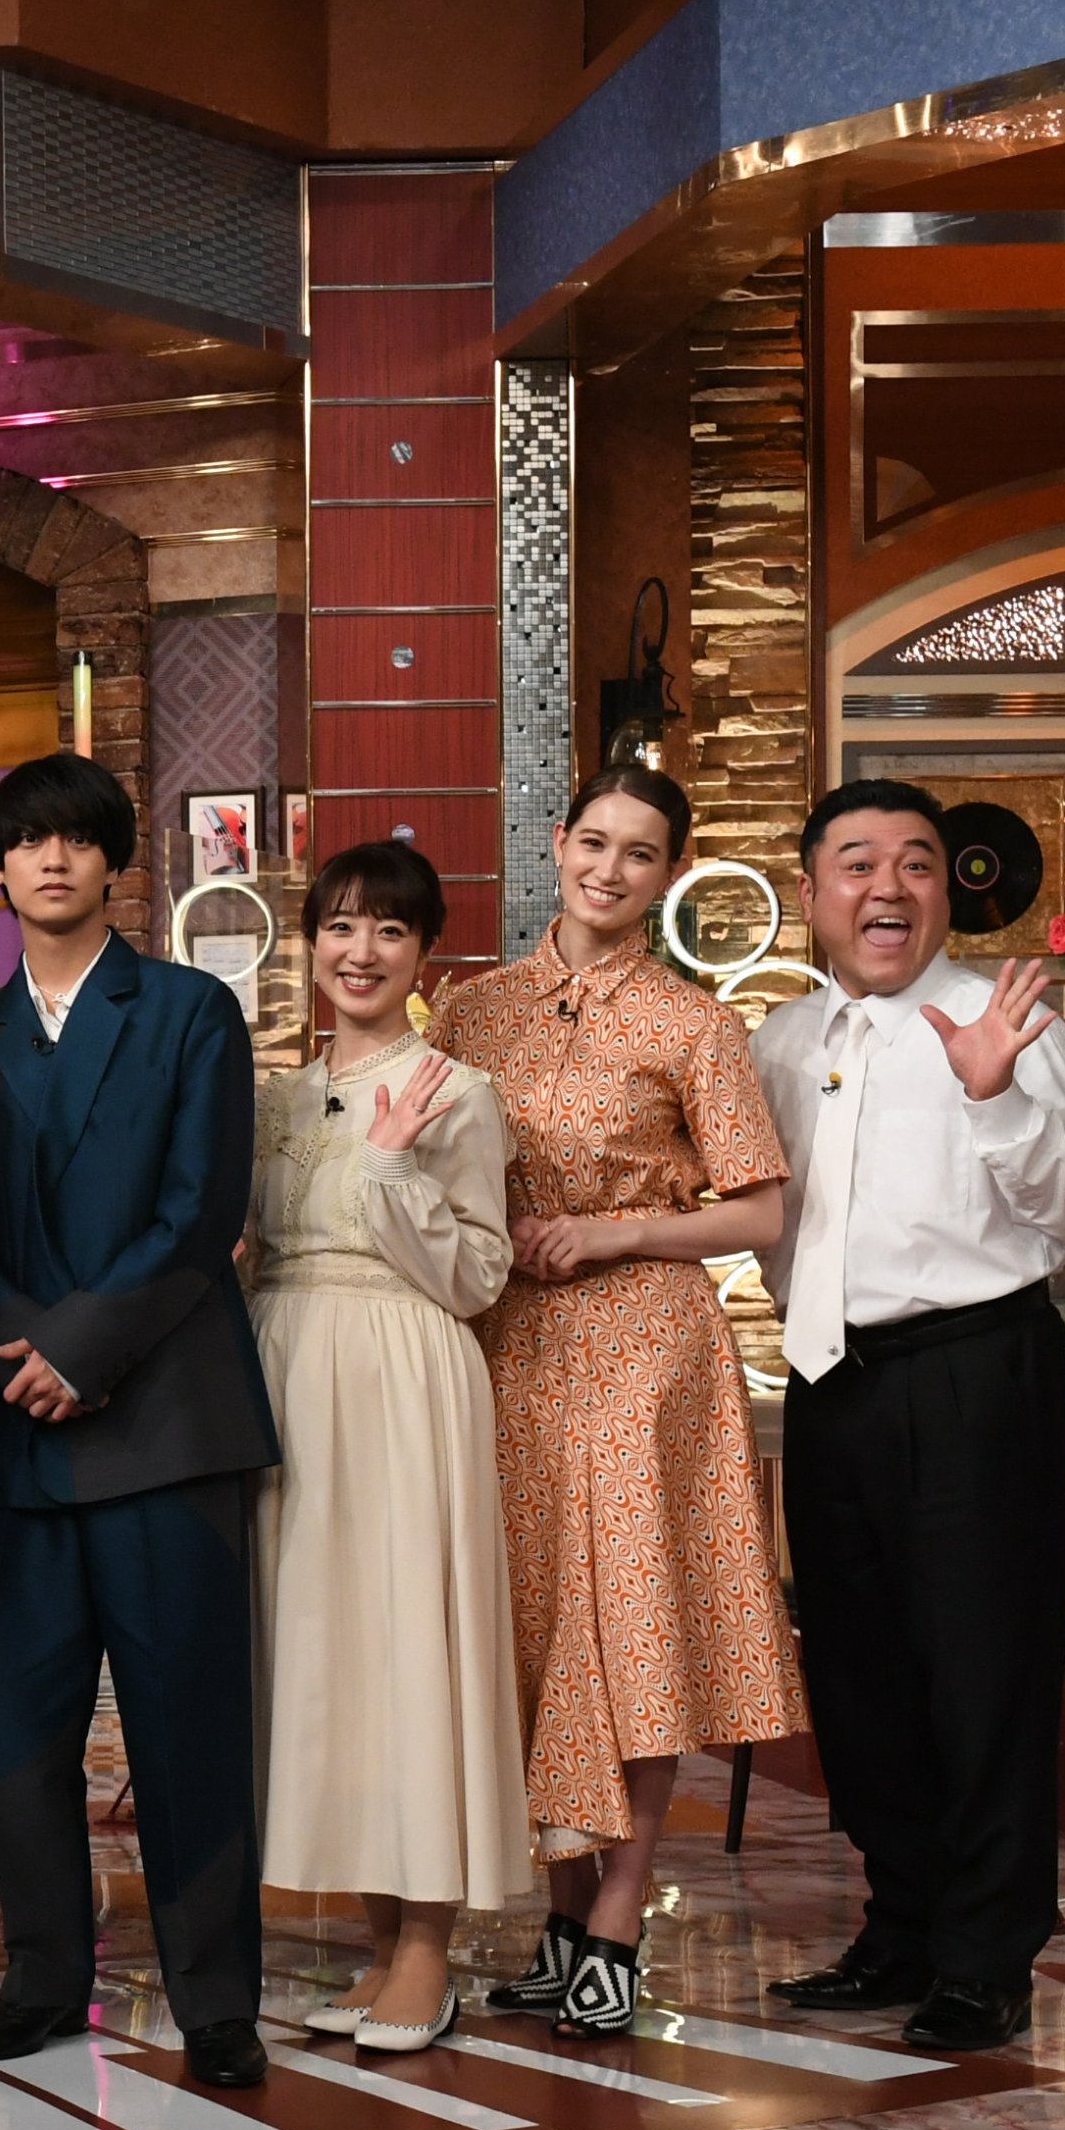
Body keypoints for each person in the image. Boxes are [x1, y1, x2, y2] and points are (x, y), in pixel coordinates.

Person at [435, 761, 805, 2040]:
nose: (609, 870)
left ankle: (617, 1917)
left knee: (632, 1627)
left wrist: (612, 1233)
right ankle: (557, 1914)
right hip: (506, 1342)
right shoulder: (472, 1010)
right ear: (557, 841)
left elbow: (759, 1210)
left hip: (646, 1347)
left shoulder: (694, 1024)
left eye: (639, 853)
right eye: (593, 842)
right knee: (530, 1622)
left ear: (669, 874)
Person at [0, 752, 278, 2090]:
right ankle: (40, 1976)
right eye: (27, 840)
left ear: (114, 860)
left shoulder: (191, 1011)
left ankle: (215, 1994)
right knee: (26, 1732)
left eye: (78, 838)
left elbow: (200, 1210)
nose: (53, 858)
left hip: (166, 1424)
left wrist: (80, 1351)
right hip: (22, 1431)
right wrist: (15, 1353)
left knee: (188, 1726)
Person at [752, 780, 1065, 2054]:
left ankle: (984, 1954)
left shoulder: (1002, 1018)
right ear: (813, 893)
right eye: (856, 863)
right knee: (861, 1674)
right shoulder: (779, 1041)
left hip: (975, 1372)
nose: (886, 886)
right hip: (829, 1379)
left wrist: (994, 1096)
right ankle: (900, 1921)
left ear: (944, 889)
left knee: (981, 1671)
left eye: (913, 861)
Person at [247, 840, 529, 2058]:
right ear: (309, 940)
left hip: (401, 1373)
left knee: (409, 1652)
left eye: (390, 931)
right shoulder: (274, 1095)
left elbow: (477, 1273)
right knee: (326, 1662)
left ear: (425, 956)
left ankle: (427, 1947)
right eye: (340, 926)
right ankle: (375, 1942)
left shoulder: (455, 1090)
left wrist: (388, 1165)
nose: (359, 952)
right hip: (284, 1371)